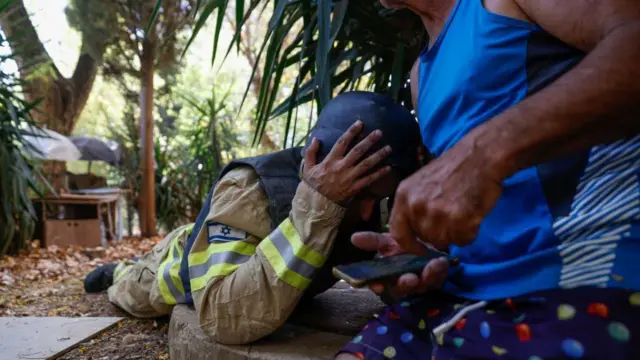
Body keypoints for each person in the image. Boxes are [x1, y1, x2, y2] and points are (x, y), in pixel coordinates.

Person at [338, 0, 640, 359]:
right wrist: (425, 255)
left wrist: (487, 150)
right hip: (460, 297)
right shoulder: (422, 74)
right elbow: (480, 198)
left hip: (580, 279)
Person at [84, 91, 425, 345]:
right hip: (182, 266)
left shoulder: (381, 192)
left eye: (377, 197)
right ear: (315, 161)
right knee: (133, 291)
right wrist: (320, 205)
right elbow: (221, 316)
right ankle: (120, 270)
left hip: (235, 241)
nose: (368, 214)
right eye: (358, 197)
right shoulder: (249, 190)